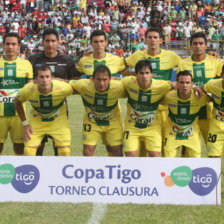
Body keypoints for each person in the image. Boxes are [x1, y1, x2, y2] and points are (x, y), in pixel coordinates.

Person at [125, 27, 181, 156]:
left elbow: (188, 65)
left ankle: (159, 174)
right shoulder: (138, 55)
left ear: (161, 40)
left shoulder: (171, 56)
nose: (152, 40)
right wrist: (133, 75)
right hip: (145, 107)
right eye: (149, 37)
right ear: (145, 40)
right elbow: (121, 65)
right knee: (142, 147)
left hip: (165, 109)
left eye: (155, 37)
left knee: (161, 146)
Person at [29, 28, 79, 156]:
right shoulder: (33, 59)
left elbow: (76, 83)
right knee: (38, 147)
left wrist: (59, 82)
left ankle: (57, 174)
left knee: (59, 146)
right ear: (42, 42)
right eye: (47, 41)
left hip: (59, 108)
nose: (50, 44)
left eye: (53, 41)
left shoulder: (66, 59)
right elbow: (28, 83)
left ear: (58, 42)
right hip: (38, 109)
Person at [14, 65, 73, 156]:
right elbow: (17, 101)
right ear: (36, 79)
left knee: (65, 152)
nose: (45, 80)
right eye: (41, 77)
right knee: (28, 152)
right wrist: (25, 124)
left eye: (47, 77)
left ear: (52, 78)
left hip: (58, 122)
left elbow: (80, 88)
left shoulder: (62, 87)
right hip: (37, 122)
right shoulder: (28, 89)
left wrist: (66, 81)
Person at [70, 64, 126, 156]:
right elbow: (66, 83)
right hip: (92, 122)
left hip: (113, 122)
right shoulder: (83, 85)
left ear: (110, 79)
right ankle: (88, 170)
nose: (101, 83)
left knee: (117, 151)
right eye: (98, 79)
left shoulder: (118, 86)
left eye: (105, 80)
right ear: (92, 79)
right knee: (87, 151)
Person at [177, 32, 222, 144]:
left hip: (210, 112)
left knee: (212, 148)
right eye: (195, 43)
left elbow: (220, 85)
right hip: (190, 112)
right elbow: (179, 85)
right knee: (188, 148)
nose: (198, 46)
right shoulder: (183, 63)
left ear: (206, 45)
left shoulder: (216, 61)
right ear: (190, 45)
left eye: (201, 43)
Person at [122, 60, 172, 157]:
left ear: (152, 74)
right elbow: (113, 81)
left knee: (155, 156)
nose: (144, 76)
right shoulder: (128, 82)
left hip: (152, 127)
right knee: (130, 155)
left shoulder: (161, 85)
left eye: (147, 73)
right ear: (135, 74)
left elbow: (177, 85)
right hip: (132, 127)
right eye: (141, 73)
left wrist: (195, 87)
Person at [0, 32, 33, 155]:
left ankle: (19, 173)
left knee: (19, 148)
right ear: (3, 45)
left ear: (19, 46)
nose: (10, 47)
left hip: (19, 115)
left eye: (13, 44)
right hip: (0, 115)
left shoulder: (26, 65)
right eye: (7, 44)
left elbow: (30, 90)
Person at [162, 70, 208, 158]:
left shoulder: (200, 97)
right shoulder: (168, 96)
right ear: (177, 83)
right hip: (172, 134)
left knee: (196, 162)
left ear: (192, 84)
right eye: (182, 82)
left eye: (187, 83)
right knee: (168, 162)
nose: (184, 85)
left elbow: (214, 98)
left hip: (192, 135)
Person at [203, 66, 224, 157]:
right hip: (217, 125)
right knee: (213, 157)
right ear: (222, 75)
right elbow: (202, 90)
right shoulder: (212, 84)